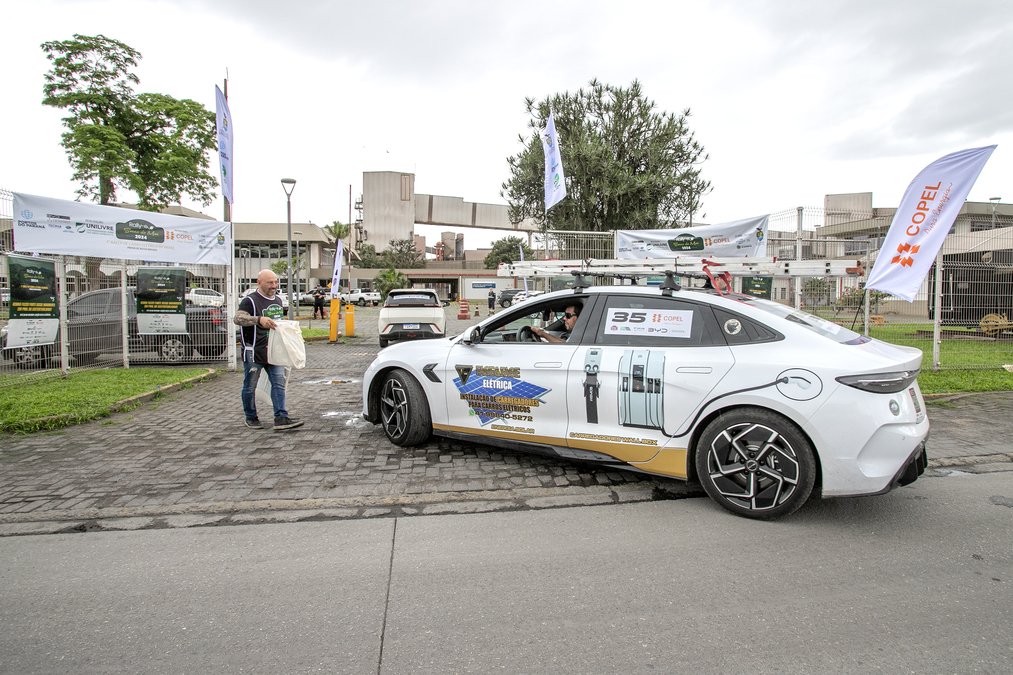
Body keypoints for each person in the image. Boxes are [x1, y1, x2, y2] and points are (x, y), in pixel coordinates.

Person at [234, 269, 304, 431]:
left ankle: (281, 417)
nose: (274, 285)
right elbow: (237, 318)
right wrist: (259, 320)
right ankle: (250, 416)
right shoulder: (250, 301)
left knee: (279, 383)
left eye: (275, 282)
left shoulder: (278, 301)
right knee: (250, 385)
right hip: (254, 350)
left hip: (274, 350)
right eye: (269, 282)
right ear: (259, 283)